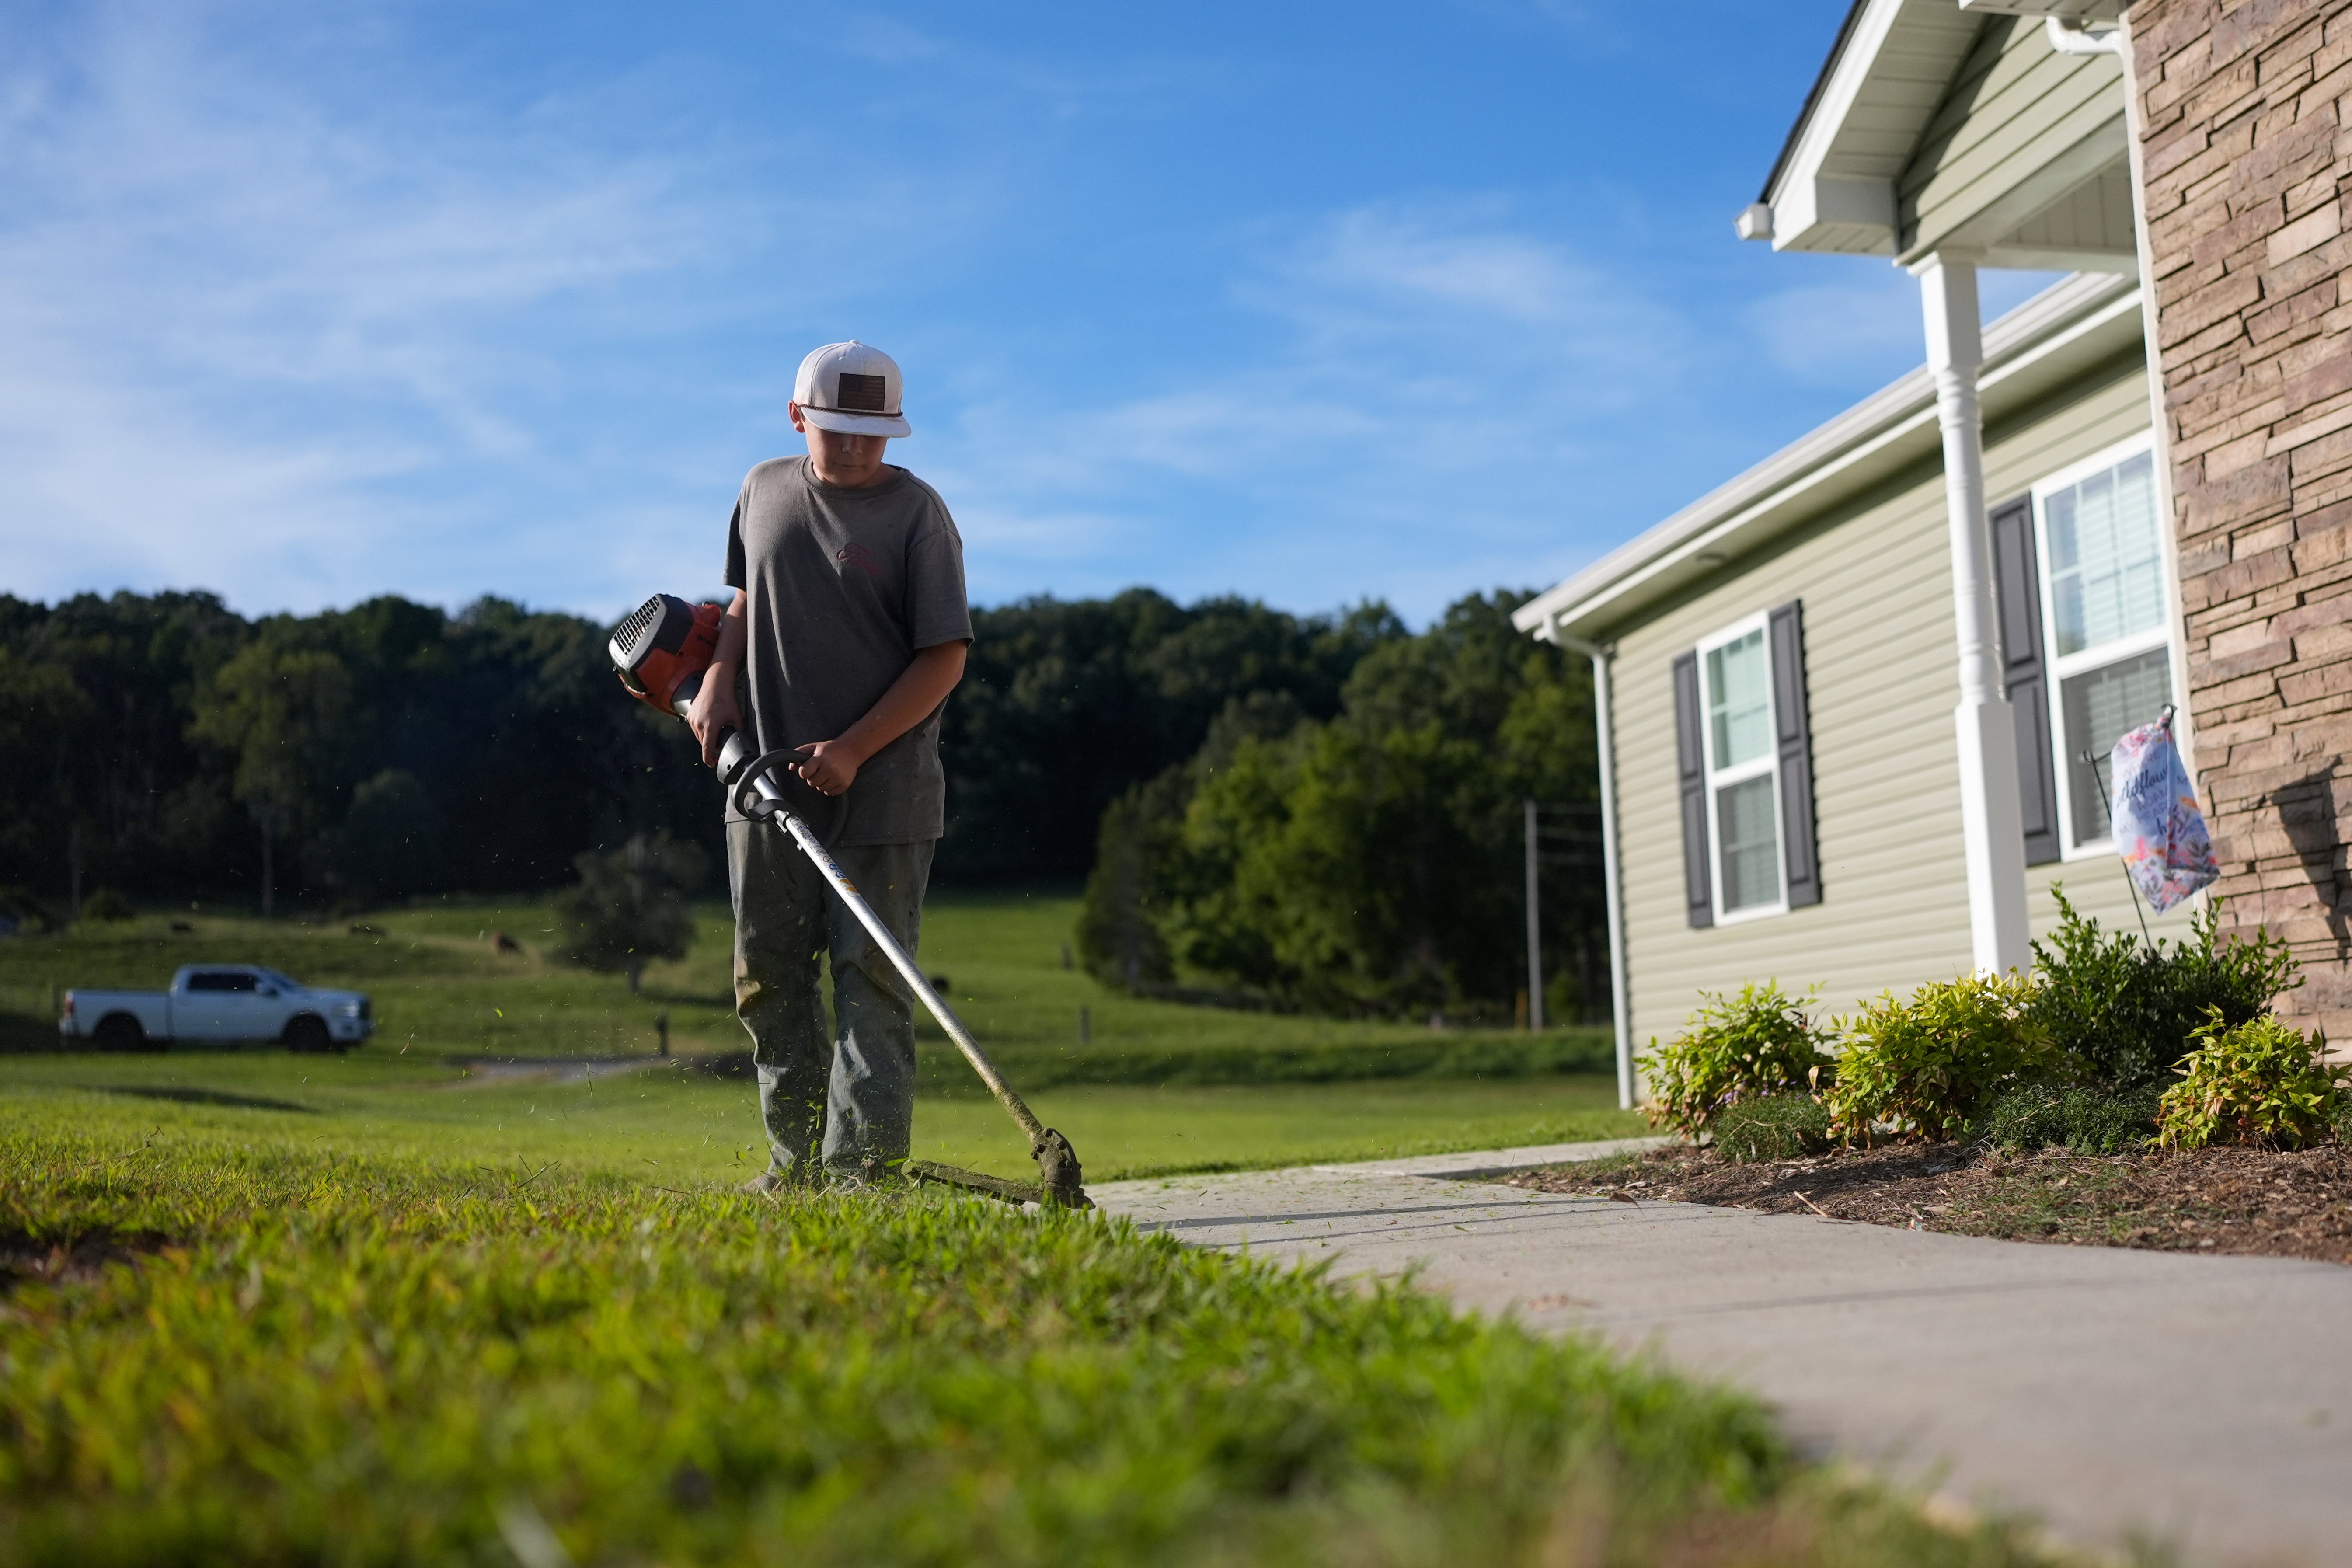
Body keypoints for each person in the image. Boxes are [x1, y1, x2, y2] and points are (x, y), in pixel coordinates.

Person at [686, 341, 971, 1192]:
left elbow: (944, 656)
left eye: (871, 435)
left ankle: (862, 1178)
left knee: (870, 980)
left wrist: (852, 747)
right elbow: (744, 603)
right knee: (766, 975)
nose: (852, 449)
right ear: (796, 416)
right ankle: (792, 1171)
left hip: (882, 786)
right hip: (765, 780)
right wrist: (715, 679)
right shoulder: (760, 489)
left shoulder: (919, 516)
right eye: (836, 430)